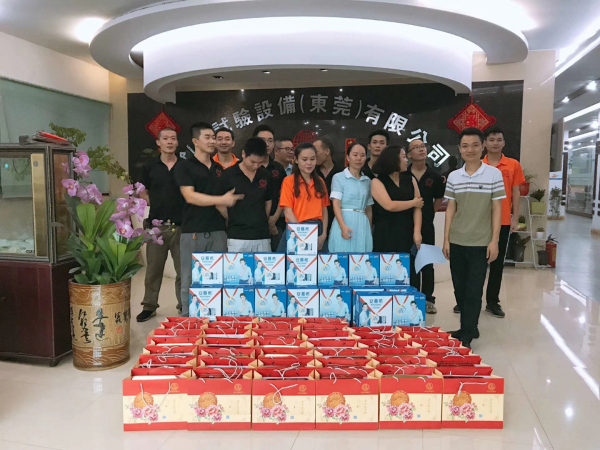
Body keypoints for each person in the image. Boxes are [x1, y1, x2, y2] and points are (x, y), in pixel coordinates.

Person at [443, 127, 505, 348]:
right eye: (465, 146)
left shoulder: (493, 174)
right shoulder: (454, 176)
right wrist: (446, 239)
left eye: (475, 145)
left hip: (481, 243)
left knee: (474, 289)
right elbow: (451, 208)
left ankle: (467, 334)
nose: (470, 150)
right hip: (457, 241)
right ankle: (470, 326)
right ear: (460, 149)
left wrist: (494, 240)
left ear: (483, 147)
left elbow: (497, 209)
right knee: (459, 288)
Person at [175, 122, 244, 316]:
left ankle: (215, 316)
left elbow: (223, 202)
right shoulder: (185, 166)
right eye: (208, 137)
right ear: (195, 141)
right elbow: (190, 196)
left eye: (213, 137)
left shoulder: (219, 169)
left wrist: (230, 220)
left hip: (218, 231)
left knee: (218, 277)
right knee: (189, 278)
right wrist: (221, 200)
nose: (212, 141)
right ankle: (188, 318)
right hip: (193, 231)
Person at [136, 127, 184, 322]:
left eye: (173, 138)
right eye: (165, 138)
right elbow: (142, 190)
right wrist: (154, 203)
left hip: (181, 226)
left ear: (177, 142)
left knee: (183, 271)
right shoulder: (149, 166)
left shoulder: (185, 166)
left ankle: (184, 305)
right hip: (156, 226)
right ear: (158, 142)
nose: (170, 142)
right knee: (154, 269)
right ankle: (149, 306)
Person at [482, 126, 525, 318]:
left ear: (504, 143)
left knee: (497, 263)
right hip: (479, 220)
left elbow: (516, 192)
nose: (495, 143)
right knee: (476, 263)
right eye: (491, 140)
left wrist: (516, 217)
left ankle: (492, 301)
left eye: (499, 140)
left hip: (503, 220)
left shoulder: (513, 164)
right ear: (485, 143)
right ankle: (469, 300)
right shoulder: (478, 164)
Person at [371, 145, 424, 290]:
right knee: (387, 274)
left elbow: (418, 207)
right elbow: (389, 205)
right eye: (404, 157)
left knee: (410, 273)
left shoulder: (410, 179)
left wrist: (417, 232)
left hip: (407, 231)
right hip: (385, 233)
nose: (407, 160)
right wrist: (413, 202)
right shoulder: (377, 182)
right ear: (393, 160)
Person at [408, 138, 445, 314]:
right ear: (409, 155)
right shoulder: (403, 174)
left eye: (422, 146)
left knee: (427, 263)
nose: (421, 149)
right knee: (411, 261)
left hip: (427, 225)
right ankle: (412, 296)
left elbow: (439, 199)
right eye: (416, 147)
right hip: (406, 225)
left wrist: (429, 213)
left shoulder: (435, 176)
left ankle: (429, 298)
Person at [215, 137, 273, 252]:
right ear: (243, 154)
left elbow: (268, 201)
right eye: (253, 162)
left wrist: (260, 220)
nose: (256, 166)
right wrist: (233, 218)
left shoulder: (265, 174)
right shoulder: (228, 175)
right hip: (237, 236)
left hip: (262, 235)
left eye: (260, 162)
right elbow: (218, 203)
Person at [278, 142, 331, 252]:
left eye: (312, 159)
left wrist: (324, 234)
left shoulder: (320, 181)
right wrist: (301, 233)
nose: (309, 163)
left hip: (317, 229)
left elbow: (324, 210)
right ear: (296, 160)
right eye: (304, 159)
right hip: (296, 229)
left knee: (320, 262)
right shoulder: (289, 181)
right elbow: (288, 211)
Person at [328, 142, 374, 253]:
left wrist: (368, 228)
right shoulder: (339, 177)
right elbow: (336, 204)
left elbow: (368, 208)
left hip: (362, 222)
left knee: (362, 255)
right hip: (344, 219)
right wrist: (343, 226)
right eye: (355, 155)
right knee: (341, 253)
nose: (359, 158)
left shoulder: (367, 180)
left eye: (362, 155)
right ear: (348, 157)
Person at [253, 125, 287, 251]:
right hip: (252, 225)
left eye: (270, 141)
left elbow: (284, 195)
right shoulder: (247, 167)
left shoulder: (278, 168)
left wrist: (274, 219)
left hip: (276, 224)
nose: (267, 144)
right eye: (262, 140)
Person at [315, 137, 344, 236]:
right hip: (316, 219)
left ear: (327, 151)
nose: (313, 155)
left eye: (316, 151)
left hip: (338, 220)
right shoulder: (312, 173)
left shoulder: (342, 172)